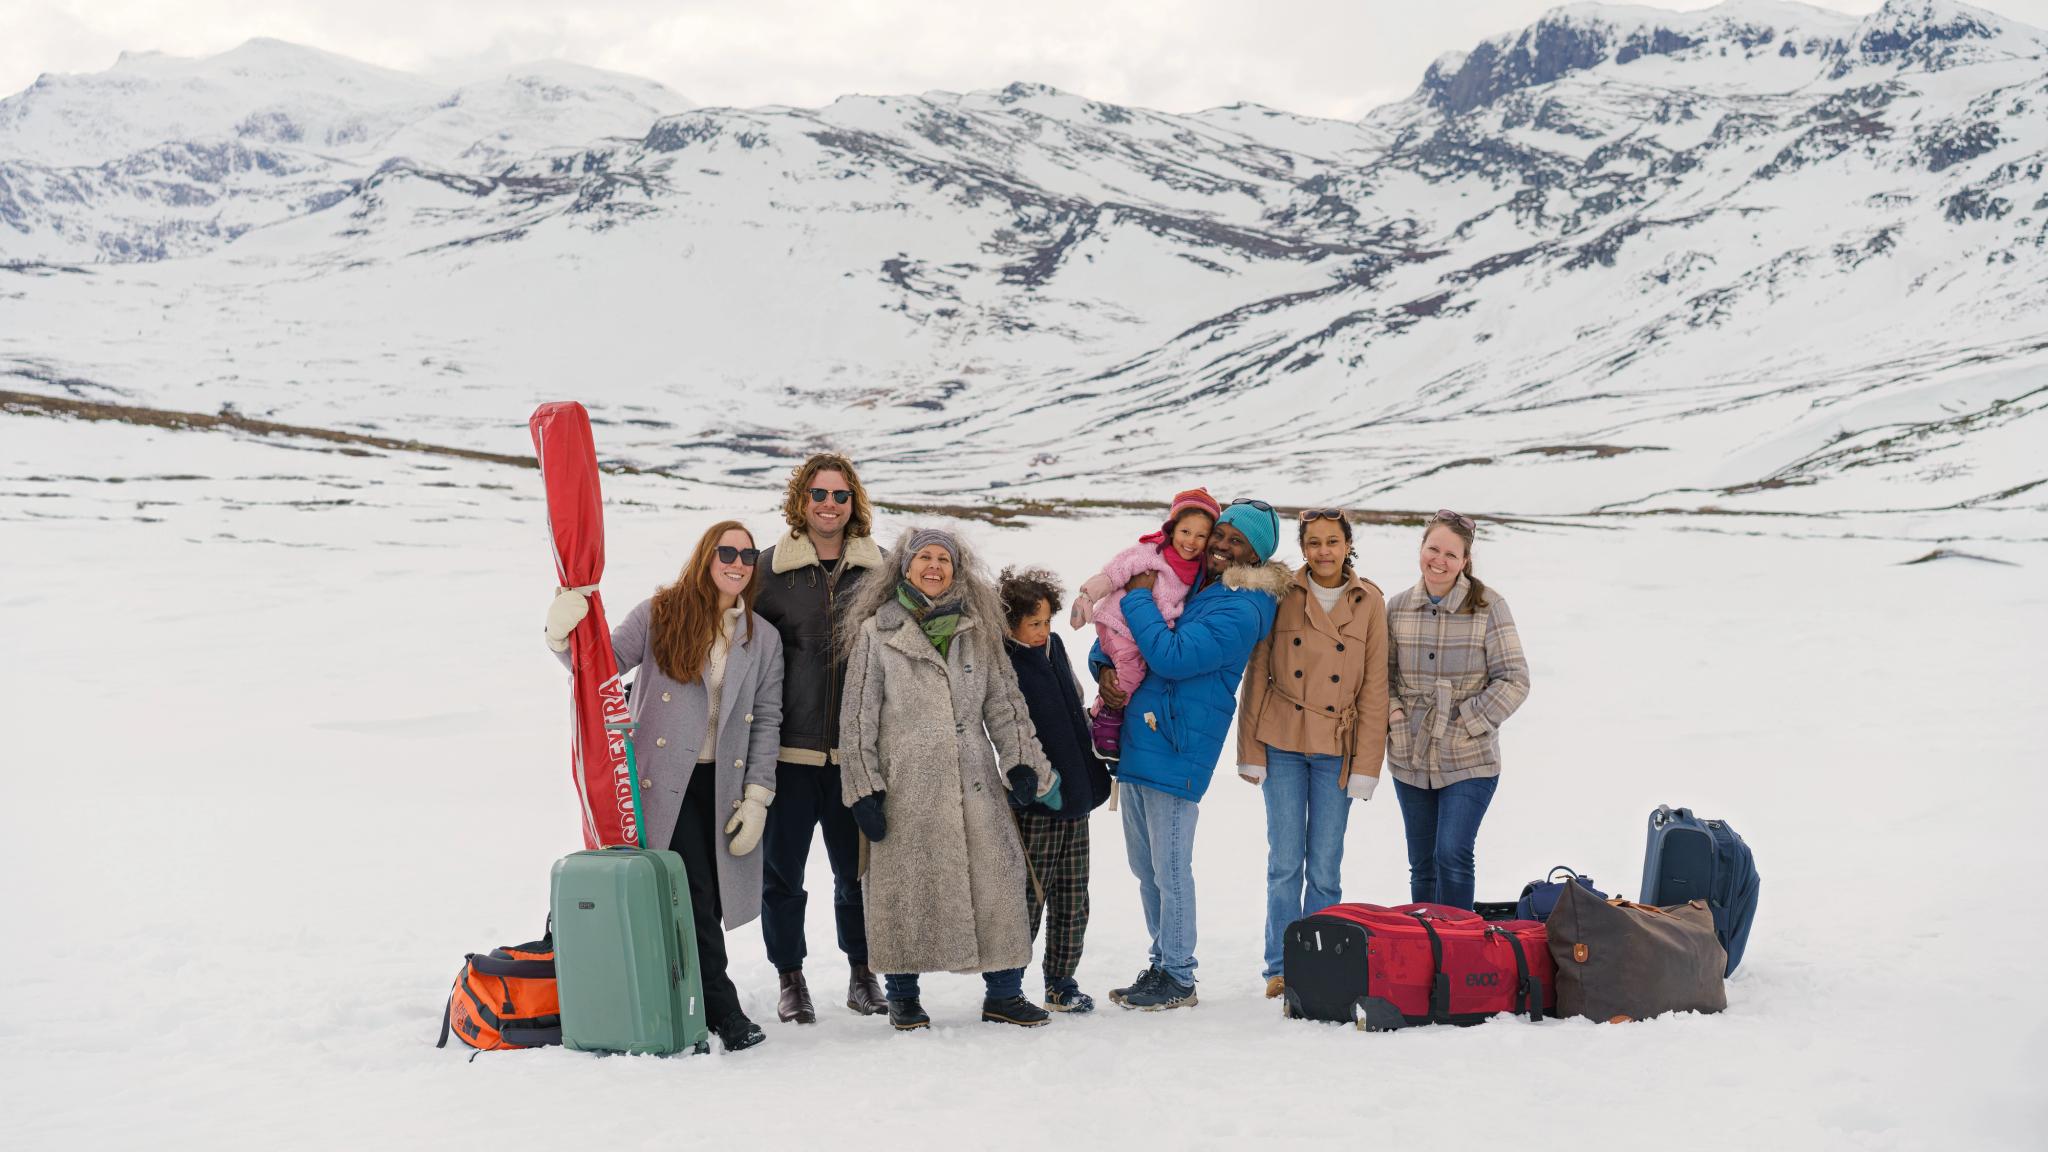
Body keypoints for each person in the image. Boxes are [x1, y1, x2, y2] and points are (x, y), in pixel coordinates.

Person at [542, 520, 783, 1053]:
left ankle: (678, 996)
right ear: (705, 556)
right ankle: (723, 1010)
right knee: (691, 893)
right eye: (727, 551)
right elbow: (599, 669)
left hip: (722, 785)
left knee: (705, 902)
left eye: (747, 555)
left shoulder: (762, 638)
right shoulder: (661, 613)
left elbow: (767, 719)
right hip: (661, 782)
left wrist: (759, 795)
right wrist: (562, 634)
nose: (738, 562)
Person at [837, 528, 1062, 1030]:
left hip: (974, 780)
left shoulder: (978, 631)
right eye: (924, 558)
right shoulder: (876, 632)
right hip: (904, 784)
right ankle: (903, 997)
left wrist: (1021, 761)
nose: (934, 566)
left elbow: (1004, 702)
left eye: (944, 559)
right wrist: (863, 787)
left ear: (957, 570)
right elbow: (856, 719)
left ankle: (1004, 993)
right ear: (905, 566)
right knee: (902, 888)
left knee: (998, 882)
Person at [1095, 498, 1289, 1011]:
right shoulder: (1195, 584)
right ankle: (1161, 962)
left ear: (1257, 554)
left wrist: (1137, 595)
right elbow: (1119, 630)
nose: (1220, 547)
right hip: (1142, 736)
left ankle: (1179, 975)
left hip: (1179, 746)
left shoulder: (1245, 608)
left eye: (1235, 541)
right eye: (1219, 535)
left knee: (1171, 867)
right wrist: (1103, 669)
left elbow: (1172, 656)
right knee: (1145, 866)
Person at [752, 453, 888, 1022]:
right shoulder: (767, 568)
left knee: (855, 873)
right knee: (783, 874)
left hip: (856, 753)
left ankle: (863, 973)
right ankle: (791, 979)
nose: (828, 505)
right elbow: (729, 630)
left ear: (853, 502)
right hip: (786, 752)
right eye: (818, 494)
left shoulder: (880, 569)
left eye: (839, 495)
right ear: (800, 501)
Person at [1237, 508, 1388, 1000]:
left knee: (1324, 866)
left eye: (1333, 541)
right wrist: (1250, 749)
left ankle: (1320, 961)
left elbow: (1374, 690)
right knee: (1284, 862)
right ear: (1303, 548)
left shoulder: (1370, 602)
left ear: (1348, 545)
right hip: (1281, 742)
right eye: (1314, 543)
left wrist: (1367, 765)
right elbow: (1257, 672)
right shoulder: (1282, 594)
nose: (1324, 551)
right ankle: (1280, 967)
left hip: (1335, 749)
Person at [1385, 510, 1530, 911]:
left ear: (1465, 560)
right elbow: (1382, 676)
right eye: (1433, 549)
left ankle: (1459, 952)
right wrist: (1396, 719)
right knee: (1423, 865)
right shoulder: (1396, 608)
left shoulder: (1488, 606)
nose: (1439, 560)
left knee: (1451, 854)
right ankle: (1425, 947)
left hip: (1470, 758)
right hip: (1409, 756)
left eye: (1451, 554)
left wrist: (1467, 721)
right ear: (1421, 548)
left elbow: (1515, 678)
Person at [1000, 567, 1114, 1013]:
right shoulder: (1004, 661)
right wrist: (1039, 784)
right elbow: (1011, 730)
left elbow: (1073, 704)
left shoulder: (1055, 647)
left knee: (1073, 898)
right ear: (1010, 624)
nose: (1043, 630)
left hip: (1078, 798)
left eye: (1047, 620)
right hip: (1038, 804)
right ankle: (1008, 984)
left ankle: (1062, 981)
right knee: (1029, 898)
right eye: (1034, 623)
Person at [1067, 488, 1222, 759]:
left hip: (1144, 632)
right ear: (1172, 528)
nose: (1192, 541)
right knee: (1131, 672)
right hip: (1120, 622)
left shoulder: (1198, 569)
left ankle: (1109, 714)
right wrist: (1087, 597)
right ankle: (1101, 716)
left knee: (1137, 671)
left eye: (1201, 535)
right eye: (1186, 532)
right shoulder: (1151, 553)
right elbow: (1114, 573)